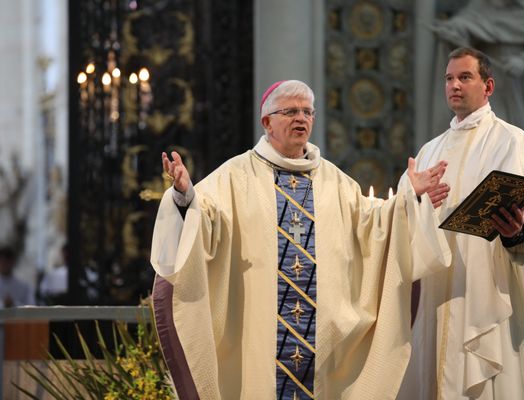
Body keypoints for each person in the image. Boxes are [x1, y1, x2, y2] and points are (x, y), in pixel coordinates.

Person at [150, 80, 452, 399]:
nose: (301, 119)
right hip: (257, 338)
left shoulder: (334, 181)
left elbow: (373, 225)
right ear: (267, 122)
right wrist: (184, 195)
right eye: (291, 111)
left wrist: (407, 203)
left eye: (307, 112)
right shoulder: (234, 176)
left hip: (322, 349)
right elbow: (204, 221)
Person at [397, 48, 524, 399]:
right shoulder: (430, 150)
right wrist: (415, 203)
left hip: (492, 293)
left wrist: (515, 234)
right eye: (449, 78)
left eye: (465, 77)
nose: (454, 85)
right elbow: (403, 221)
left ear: (488, 86)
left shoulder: (512, 141)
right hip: (439, 292)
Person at [427, 0, 524, 165]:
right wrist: (453, 31)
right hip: (493, 85)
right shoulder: (486, 4)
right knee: (492, 145)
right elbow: (467, 23)